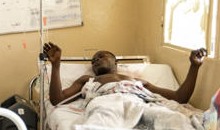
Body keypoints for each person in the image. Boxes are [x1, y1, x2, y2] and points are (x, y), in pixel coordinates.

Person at [43, 42, 207, 105]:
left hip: (138, 104)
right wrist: (56, 65)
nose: (96, 60)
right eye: (93, 61)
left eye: (101, 56)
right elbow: (57, 99)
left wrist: (194, 67)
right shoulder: (88, 80)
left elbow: (179, 98)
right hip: (106, 105)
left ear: (115, 62)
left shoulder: (138, 82)